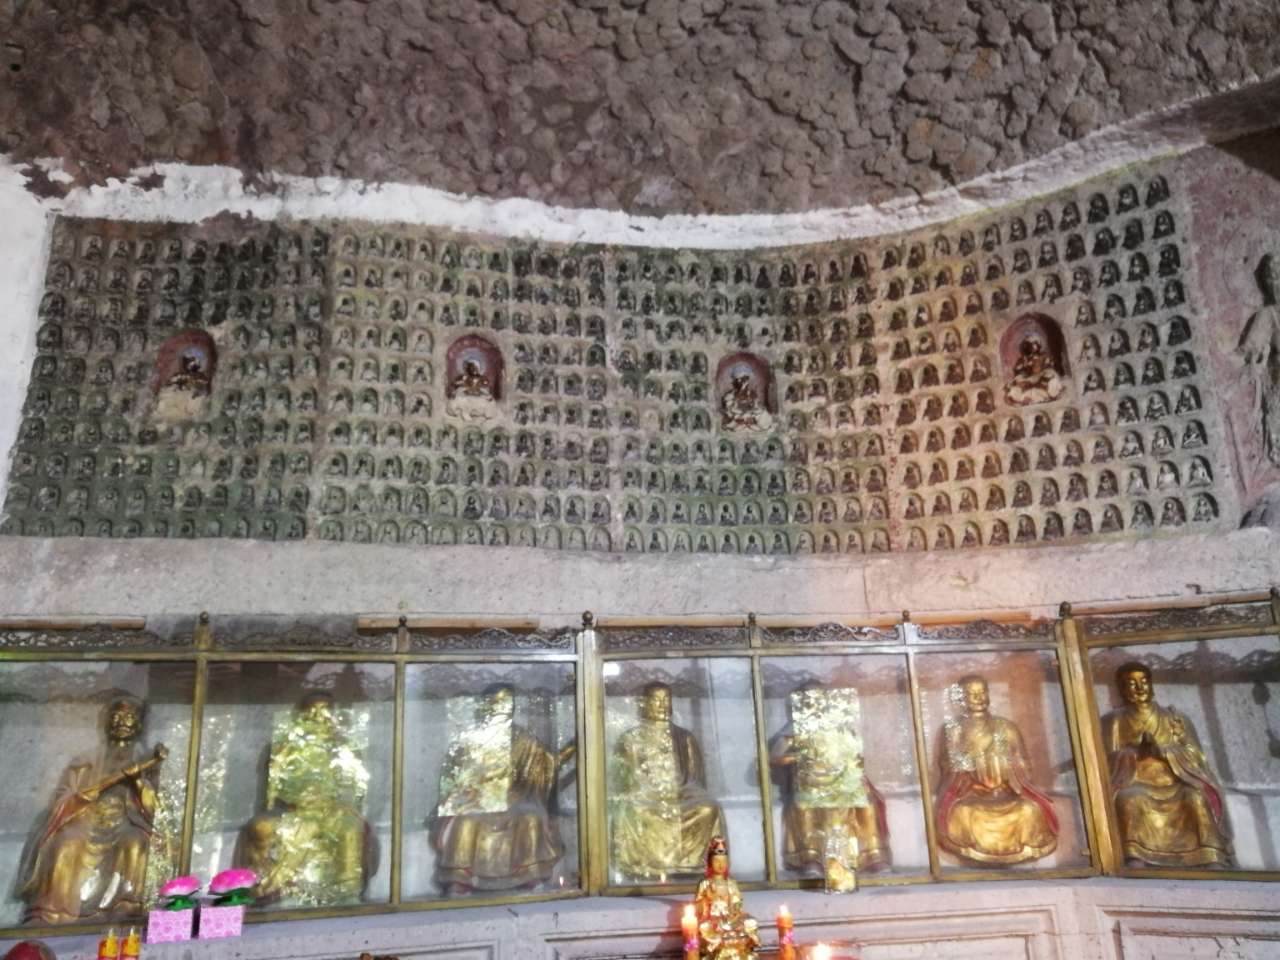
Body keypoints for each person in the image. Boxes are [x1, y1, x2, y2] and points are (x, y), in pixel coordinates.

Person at [21, 696, 168, 925]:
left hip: (128, 821)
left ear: (139, 724)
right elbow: (63, 797)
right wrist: (80, 798)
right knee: (66, 842)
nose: (122, 722)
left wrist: (139, 781)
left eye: (129, 717)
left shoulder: (147, 762)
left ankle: (126, 905)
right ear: (106, 723)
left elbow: (159, 808)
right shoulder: (84, 762)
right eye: (116, 717)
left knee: (135, 842)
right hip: (86, 820)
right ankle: (55, 912)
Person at [237, 692, 377, 906]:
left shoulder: (346, 749)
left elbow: (357, 788)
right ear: (300, 715)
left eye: (324, 711)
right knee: (262, 826)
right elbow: (271, 791)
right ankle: (272, 887)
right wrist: (296, 800)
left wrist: (334, 802)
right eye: (312, 711)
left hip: (332, 811)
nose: (318, 717)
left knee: (352, 828)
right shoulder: (282, 749)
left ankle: (347, 890)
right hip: (292, 810)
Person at [431, 684, 572, 893]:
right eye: (497, 703)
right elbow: (453, 780)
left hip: (516, 801)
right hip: (475, 802)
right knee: (465, 822)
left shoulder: (523, 741)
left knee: (531, 819)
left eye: (507, 704)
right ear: (485, 707)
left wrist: (574, 747)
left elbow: (547, 765)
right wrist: (471, 794)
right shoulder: (468, 742)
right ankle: (460, 878)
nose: (502, 709)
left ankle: (530, 875)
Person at [1103, 663, 1232, 867]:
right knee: (1129, 799)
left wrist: (1164, 752)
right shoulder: (1114, 720)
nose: (1140, 688)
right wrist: (1135, 752)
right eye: (1132, 683)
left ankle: (1209, 855)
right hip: (1137, 781)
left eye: (1144, 682)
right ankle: (1135, 856)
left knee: (1196, 796)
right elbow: (1105, 760)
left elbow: (1195, 754)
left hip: (1175, 781)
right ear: (1122, 689)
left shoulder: (1175, 718)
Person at [935, 676, 1059, 865]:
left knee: (1030, 809)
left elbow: (1023, 763)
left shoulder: (1006, 727)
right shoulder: (953, 730)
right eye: (972, 694)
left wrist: (1006, 768)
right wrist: (974, 770)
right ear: (961, 699)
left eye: (983, 692)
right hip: (971, 794)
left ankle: (1028, 847)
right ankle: (973, 849)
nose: (979, 698)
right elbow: (948, 765)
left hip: (1005, 791)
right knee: (964, 812)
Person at [610, 682, 725, 881]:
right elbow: (627, 778)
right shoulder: (631, 738)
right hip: (647, 795)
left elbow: (694, 777)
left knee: (708, 808)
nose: (662, 705)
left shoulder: (684, 737)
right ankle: (646, 865)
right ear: (644, 703)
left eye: (666, 700)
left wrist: (683, 791)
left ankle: (692, 863)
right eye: (656, 700)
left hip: (682, 794)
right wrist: (646, 790)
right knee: (635, 810)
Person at [770, 683, 890, 874]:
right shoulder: (795, 729)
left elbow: (856, 754)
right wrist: (801, 757)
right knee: (803, 804)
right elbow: (775, 757)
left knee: (867, 803)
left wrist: (850, 768)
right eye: (809, 700)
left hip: (841, 780)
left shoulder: (840, 727)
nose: (815, 704)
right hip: (810, 782)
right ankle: (812, 856)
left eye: (819, 699)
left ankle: (871, 854)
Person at [1238, 252, 1280, 465]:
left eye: (1278, 276)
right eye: (1272, 278)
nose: (1276, 283)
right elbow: (1250, 348)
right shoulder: (1268, 314)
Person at [694, 836, 759, 960]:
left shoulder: (731, 883)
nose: (721, 865)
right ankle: (716, 945)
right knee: (703, 927)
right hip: (713, 919)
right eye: (717, 861)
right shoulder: (705, 883)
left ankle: (735, 944)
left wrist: (734, 909)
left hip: (730, 918)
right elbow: (697, 905)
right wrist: (707, 900)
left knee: (751, 922)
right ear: (710, 863)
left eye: (724, 861)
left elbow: (737, 903)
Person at [1004, 336, 1065, 405]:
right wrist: (1024, 365)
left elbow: (1050, 366)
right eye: (1029, 345)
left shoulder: (1043, 355)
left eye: (1033, 344)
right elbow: (1018, 371)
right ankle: (1028, 398)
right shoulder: (1024, 359)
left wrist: (1045, 364)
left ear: (1038, 345)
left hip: (1041, 377)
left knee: (1050, 375)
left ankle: (1048, 394)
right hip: (1030, 379)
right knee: (1016, 385)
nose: (1031, 347)